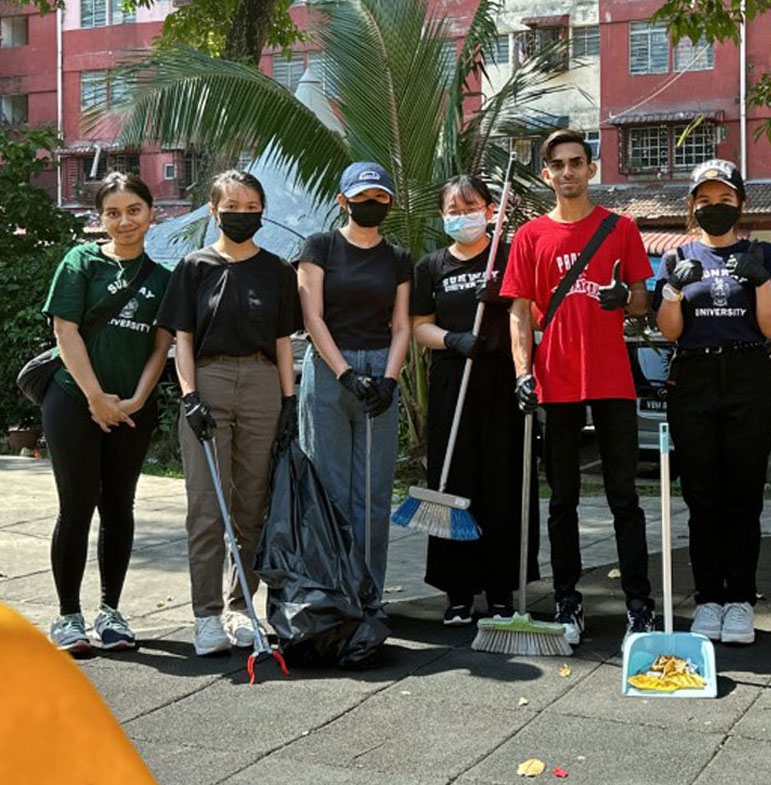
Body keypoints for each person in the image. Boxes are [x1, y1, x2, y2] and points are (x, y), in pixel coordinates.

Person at [501, 128, 655, 644]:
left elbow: (640, 300)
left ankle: (640, 604)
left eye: (576, 162)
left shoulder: (621, 228)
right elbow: (519, 313)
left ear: (592, 169)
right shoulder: (529, 237)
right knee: (562, 498)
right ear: (547, 175)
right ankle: (568, 600)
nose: (568, 172)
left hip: (612, 378)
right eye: (558, 165)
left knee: (624, 497)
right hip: (557, 380)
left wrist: (623, 300)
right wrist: (524, 372)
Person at [157, 170, 302, 657]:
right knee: (205, 504)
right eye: (232, 206)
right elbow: (183, 338)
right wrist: (190, 394)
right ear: (214, 211)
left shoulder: (279, 270)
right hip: (209, 382)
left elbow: (283, 340)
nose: (243, 214)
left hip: (262, 383)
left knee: (252, 505)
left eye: (252, 205)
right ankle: (206, 615)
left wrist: (287, 401)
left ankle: (243, 607)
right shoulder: (194, 266)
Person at [653, 159, 771, 646]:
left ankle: (741, 599)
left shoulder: (762, 254)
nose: (715, 208)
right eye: (705, 201)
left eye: (725, 199)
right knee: (702, 495)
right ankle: (709, 597)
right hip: (694, 376)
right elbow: (670, 331)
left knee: (743, 495)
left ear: (741, 204)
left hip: (748, 375)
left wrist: (762, 281)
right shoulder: (677, 257)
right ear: (692, 206)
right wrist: (671, 291)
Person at [42, 173, 172, 654]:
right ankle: (68, 616)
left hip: (132, 410)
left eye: (133, 210)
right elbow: (65, 330)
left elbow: (161, 347)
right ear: (101, 218)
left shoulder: (162, 279)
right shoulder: (80, 261)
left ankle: (111, 613)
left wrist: (136, 399)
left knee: (119, 507)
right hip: (73, 402)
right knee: (75, 507)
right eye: (113, 213)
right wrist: (96, 396)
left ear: (150, 213)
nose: (124, 221)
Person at [410, 174, 535, 625]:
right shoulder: (431, 266)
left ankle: (501, 589)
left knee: (502, 483)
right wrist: (452, 339)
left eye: (471, 207)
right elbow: (419, 325)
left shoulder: (508, 257)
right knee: (454, 483)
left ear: (489, 210)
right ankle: (458, 592)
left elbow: (534, 313)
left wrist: (501, 296)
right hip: (453, 381)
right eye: (453, 210)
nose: (463, 217)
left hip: (502, 380)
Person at [297, 162, 411, 591]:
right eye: (361, 197)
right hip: (329, 369)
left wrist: (390, 379)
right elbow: (313, 316)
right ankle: (329, 592)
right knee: (330, 489)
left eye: (379, 197)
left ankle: (369, 594)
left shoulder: (397, 258)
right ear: (343, 200)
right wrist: (344, 373)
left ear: (390, 202)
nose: (370, 204)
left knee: (373, 493)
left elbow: (401, 326)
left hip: (381, 366)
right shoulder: (320, 246)